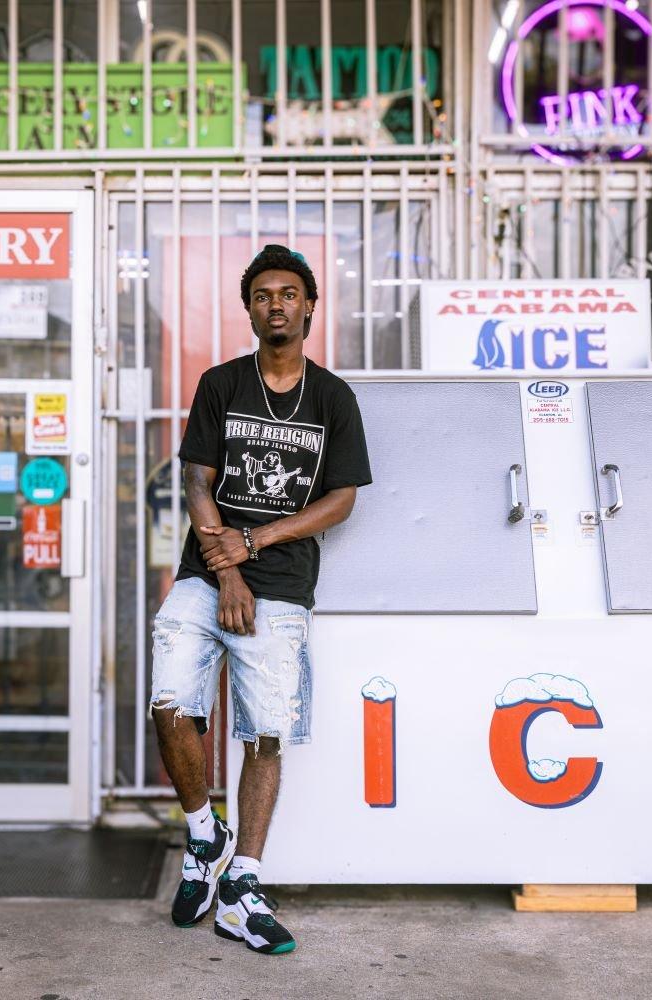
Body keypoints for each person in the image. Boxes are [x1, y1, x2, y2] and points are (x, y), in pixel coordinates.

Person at [149, 244, 372, 954]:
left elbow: (341, 499)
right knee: (169, 703)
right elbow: (197, 482)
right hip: (204, 574)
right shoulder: (221, 384)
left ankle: (242, 884)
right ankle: (202, 830)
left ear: (310, 305)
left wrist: (259, 542)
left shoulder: (333, 398)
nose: (276, 304)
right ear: (249, 309)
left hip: (284, 585)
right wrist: (228, 568)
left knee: (266, 733)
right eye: (262, 295)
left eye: (288, 294)